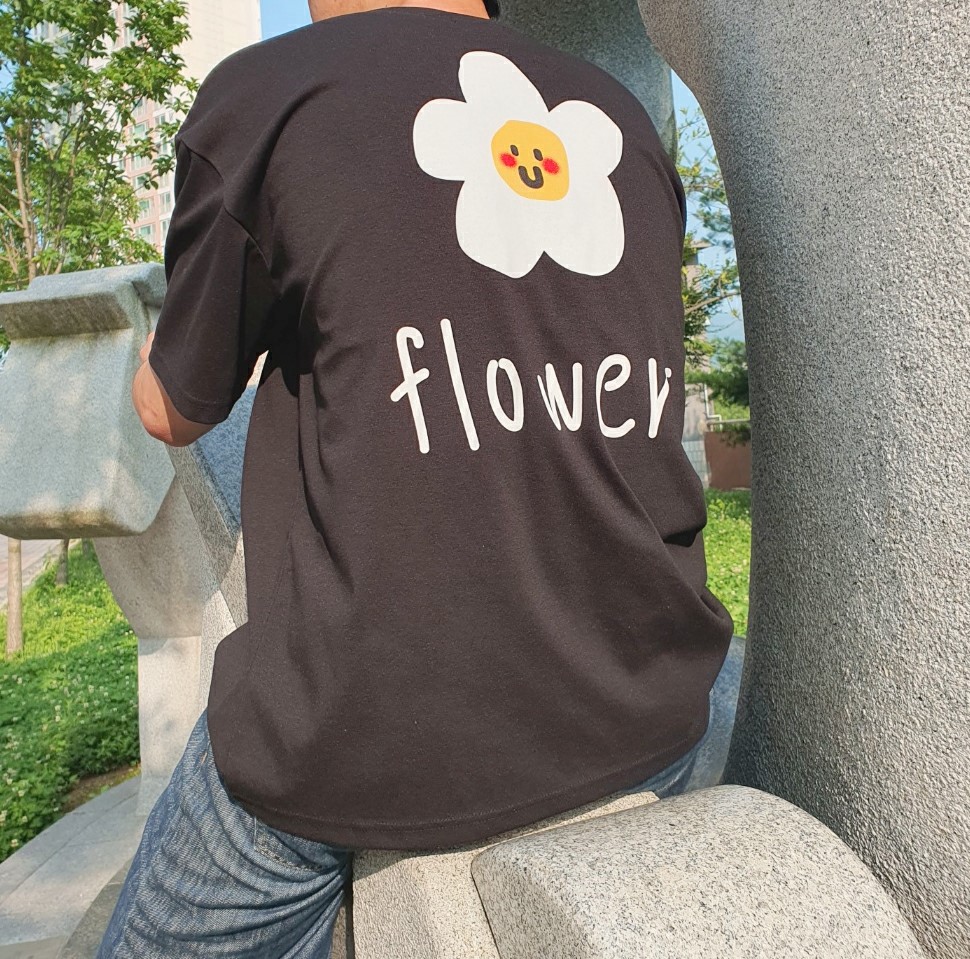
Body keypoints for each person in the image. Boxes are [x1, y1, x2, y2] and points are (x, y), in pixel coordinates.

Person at [105, 0, 735, 954]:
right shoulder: (617, 119)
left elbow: (174, 408)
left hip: (365, 737)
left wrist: (163, 351)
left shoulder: (270, 97)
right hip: (651, 699)